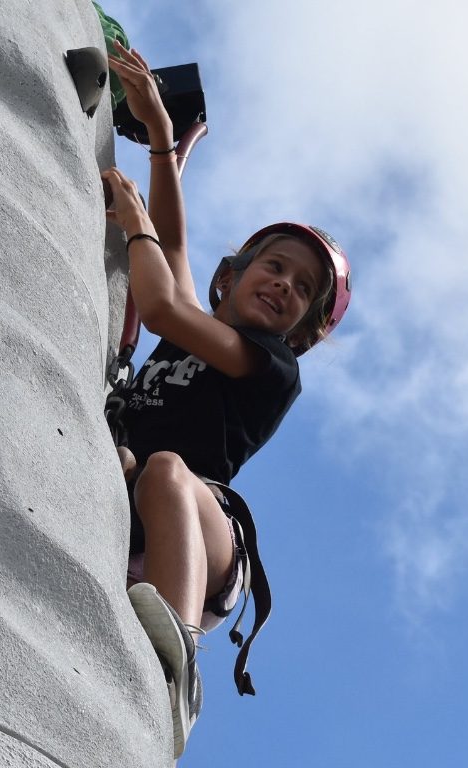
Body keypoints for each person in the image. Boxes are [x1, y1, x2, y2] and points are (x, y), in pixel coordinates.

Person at [101, 40, 352, 759]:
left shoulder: (270, 367)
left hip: (201, 543)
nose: (284, 285)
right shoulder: (201, 327)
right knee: (130, 461)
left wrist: (137, 228)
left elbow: (161, 307)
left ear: (300, 330)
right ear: (233, 276)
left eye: (302, 291)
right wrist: (158, 138)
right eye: (274, 267)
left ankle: (175, 663)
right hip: (136, 515)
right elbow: (173, 249)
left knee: (166, 469)